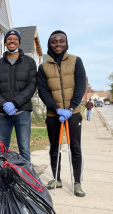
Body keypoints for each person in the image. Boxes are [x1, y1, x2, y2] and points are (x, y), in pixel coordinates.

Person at [37, 30, 86, 197]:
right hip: (53, 114)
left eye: (61, 41)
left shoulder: (75, 61)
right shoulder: (43, 66)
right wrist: (57, 109)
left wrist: (71, 108)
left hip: (73, 114)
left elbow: (80, 87)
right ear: (49, 44)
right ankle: (56, 179)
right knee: (54, 148)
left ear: (66, 43)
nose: (58, 44)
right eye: (54, 41)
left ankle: (77, 182)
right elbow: (42, 91)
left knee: (75, 147)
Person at [0, 29, 37, 162]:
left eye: (15, 38)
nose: (12, 41)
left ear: (19, 42)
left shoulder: (30, 63)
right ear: (5, 43)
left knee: (24, 148)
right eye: (9, 38)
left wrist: (14, 103)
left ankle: (27, 179)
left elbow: (31, 86)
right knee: (3, 149)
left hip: (22, 112)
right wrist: (4, 104)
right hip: (2, 114)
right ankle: (4, 177)